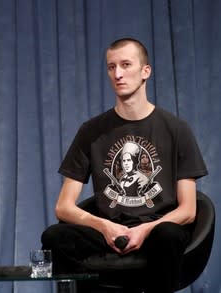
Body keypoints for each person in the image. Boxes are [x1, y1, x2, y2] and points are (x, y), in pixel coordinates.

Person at [41, 38, 207, 292]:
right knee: (54, 237)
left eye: (126, 65)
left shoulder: (176, 130)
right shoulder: (91, 131)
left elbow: (188, 211)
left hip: (156, 231)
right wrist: (104, 226)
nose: (117, 74)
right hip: (109, 231)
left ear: (145, 72)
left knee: (169, 235)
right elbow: (63, 207)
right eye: (111, 67)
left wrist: (145, 230)